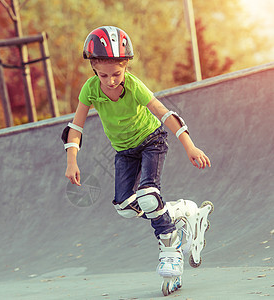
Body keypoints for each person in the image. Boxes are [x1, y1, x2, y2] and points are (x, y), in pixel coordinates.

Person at [63, 26, 211, 283]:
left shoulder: (133, 86)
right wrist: (72, 161)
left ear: (126, 66)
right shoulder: (90, 89)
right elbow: (75, 127)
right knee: (125, 207)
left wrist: (189, 145)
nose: (111, 80)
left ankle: (171, 248)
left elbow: (164, 113)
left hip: (152, 141)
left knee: (149, 195)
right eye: (104, 75)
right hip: (124, 152)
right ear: (94, 69)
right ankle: (183, 211)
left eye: (117, 74)